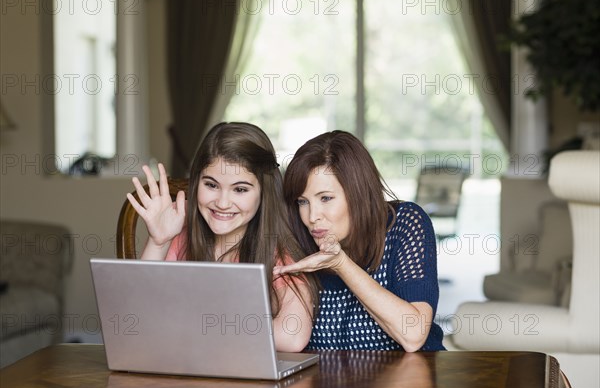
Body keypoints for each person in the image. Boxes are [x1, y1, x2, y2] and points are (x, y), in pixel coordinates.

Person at [127, 122, 318, 352]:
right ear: (197, 182)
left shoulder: (279, 254)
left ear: (263, 193)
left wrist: (198, 325)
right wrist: (158, 242)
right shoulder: (181, 235)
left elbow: (293, 336)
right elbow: (137, 318)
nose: (223, 203)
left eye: (240, 189)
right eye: (211, 185)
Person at [275, 130, 445, 352]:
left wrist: (341, 263)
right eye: (302, 202)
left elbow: (413, 334)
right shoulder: (296, 241)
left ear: (358, 193)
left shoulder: (404, 223)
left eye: (325, 198)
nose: (312, 216)